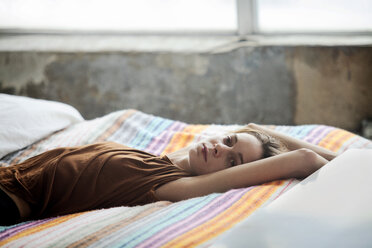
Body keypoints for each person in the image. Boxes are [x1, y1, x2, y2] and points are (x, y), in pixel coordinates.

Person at [0, 123, 337, 225]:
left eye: (232, 162)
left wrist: (357, 164)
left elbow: (303, 159)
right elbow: (250, 127)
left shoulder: (174, 186)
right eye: (227, 141)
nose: (219, 148)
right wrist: (250, 135)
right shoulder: (173, 158)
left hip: (12, 201)